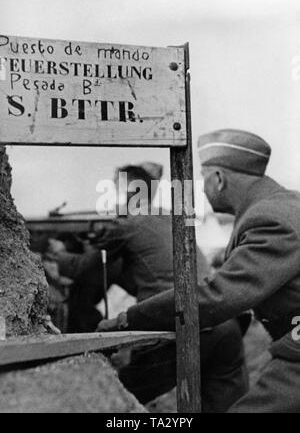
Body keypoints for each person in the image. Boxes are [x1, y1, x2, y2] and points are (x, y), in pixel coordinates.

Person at [98, 129, 300, 413]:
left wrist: (126, 319)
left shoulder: (267, 218)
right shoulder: (284, 204)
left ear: (218, 178)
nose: (202, 189)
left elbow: (219, 295)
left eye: (204, 179)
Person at [50, 161, 248, 412]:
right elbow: (157, 272)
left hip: (182, 331)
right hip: (225, 324)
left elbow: (80, 268)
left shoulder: (127, 226)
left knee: (116, 400)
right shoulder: (170, 217)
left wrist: (56, 254)